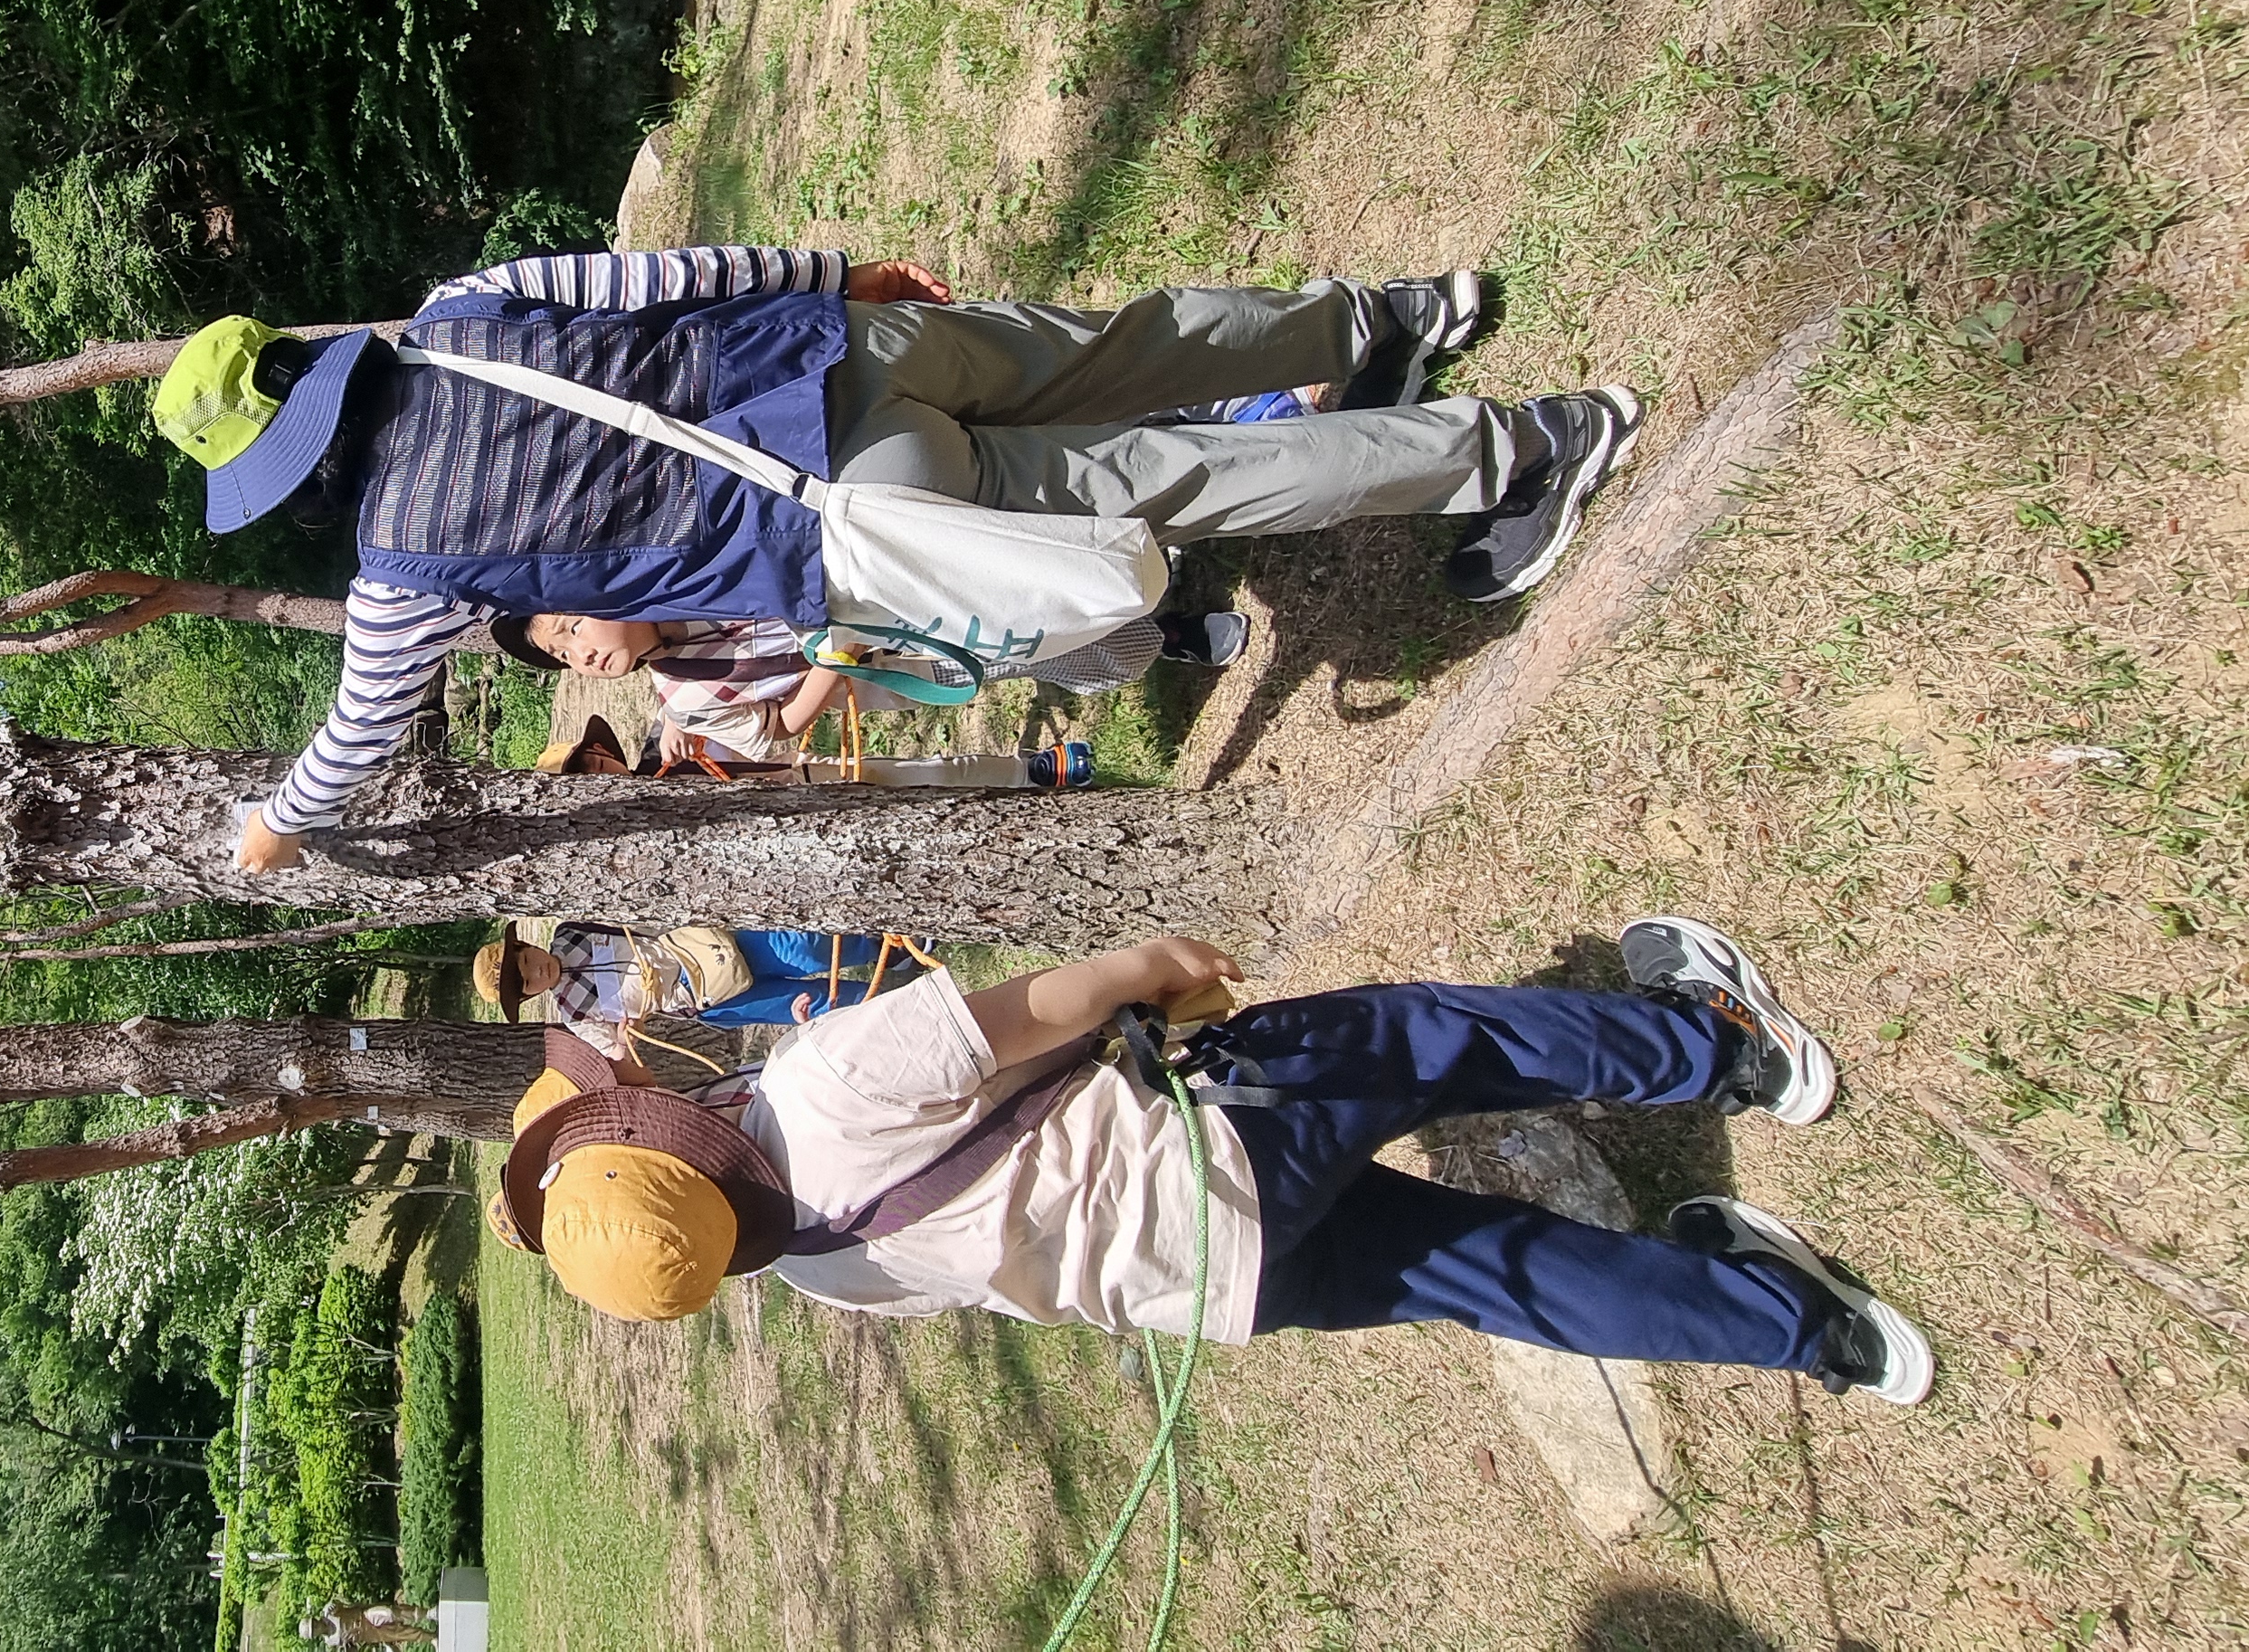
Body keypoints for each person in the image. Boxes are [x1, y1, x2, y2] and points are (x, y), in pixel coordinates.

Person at [151, 249, 1640, 874]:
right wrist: (832, 274)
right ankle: (1390, 317)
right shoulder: (458, 309)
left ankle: (1524, 449)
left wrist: (275, 826)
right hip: (841, 349)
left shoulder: (406, 570)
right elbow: (676, 274)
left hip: (847, 510)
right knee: (1130, 346)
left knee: (1176, 479)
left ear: (293, 475)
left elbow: (356, 732)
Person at [493, 915, 1931, 1405]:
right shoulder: (819, 1081)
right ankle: (1725, 1049)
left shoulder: (819, 1274)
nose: (625, 1070)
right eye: (615, 1104)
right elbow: (1037, 1011)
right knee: (1431, 1037)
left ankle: (1821, 1334)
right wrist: (1150, 965)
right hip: (1219, 1137)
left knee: (1494, 1275)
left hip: (1210, 1283)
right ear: (656, 1128)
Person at [493, 607, 1251, 768]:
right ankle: (1164, 635)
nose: (579, 654)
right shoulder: (682, 699)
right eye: (561, 655)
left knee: (1016, 596)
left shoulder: (690, 577)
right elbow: (776, 729)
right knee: (1019, 650)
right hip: (904, 668)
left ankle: (1136, 583)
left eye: (570, 627)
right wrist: (836, 663)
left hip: (897, 585)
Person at [472, 918, 935, 1043]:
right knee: (812, 1003)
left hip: (703, 947)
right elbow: (614, 1051)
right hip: (708, 1000)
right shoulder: (575, 1015)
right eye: (527, 982)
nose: (537, 971)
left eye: (527, 960)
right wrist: (625, 1035)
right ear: (531, 995)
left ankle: (892, 949)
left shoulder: (570, 932)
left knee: (804, 948)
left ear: (527, 945)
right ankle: (907, 1003)